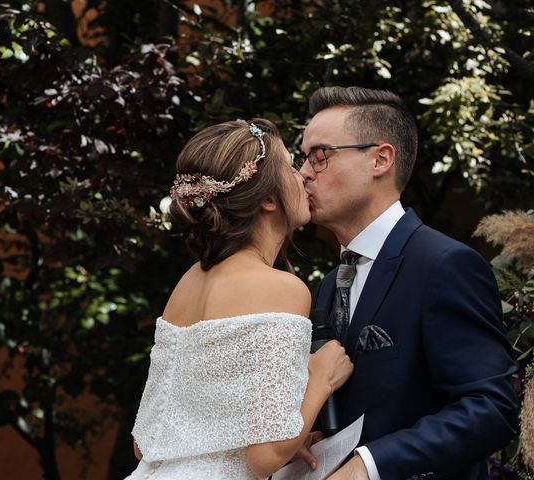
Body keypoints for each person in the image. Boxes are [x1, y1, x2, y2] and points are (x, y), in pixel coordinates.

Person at [296, 86, 519, 480]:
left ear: (380, 159)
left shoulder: (444, 264)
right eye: (304, 158)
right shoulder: (331, 284)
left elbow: (491, 407)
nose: (304, 173)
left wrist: (369, 466)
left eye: (321, 155)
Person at [125, 119, 353, 479]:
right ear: (266, 199)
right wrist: (321, 378)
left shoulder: (189, 281)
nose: (303, 177)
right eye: (291, 167)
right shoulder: (281, 288)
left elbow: (145, 441)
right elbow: (265, 455)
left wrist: (292, 437)